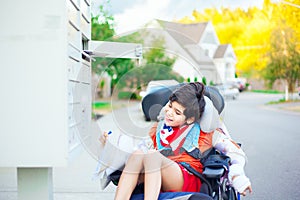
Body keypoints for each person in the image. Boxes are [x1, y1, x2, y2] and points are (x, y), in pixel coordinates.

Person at [101, 82, 252, 200]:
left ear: (191, 118)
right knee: (138, 154)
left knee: (152, 155)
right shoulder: (158, 129)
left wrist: (237, 177)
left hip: (188, 177)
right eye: (170, 106)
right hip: (159, 175)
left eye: (177, 112)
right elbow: (135, 148)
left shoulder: (206, 133)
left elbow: (234, 152)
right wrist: (110, 144)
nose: (169, 113)